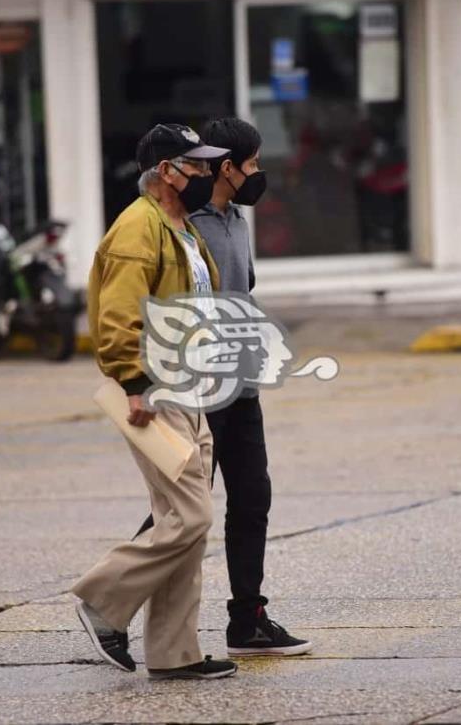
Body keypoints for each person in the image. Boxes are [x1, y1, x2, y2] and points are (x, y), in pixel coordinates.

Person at [136, 117, 313, 657]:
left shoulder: (237, 220)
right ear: (227, 167)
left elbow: (244, 291)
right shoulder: (181, 226)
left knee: (252, 496)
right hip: (193, 391)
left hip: (241, 386)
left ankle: (248, 619)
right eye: (252, 163)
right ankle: (113, 605)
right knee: (180, 508)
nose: (259, 173)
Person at [72, 124, 238, 681]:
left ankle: (175, 653)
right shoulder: (136, 229)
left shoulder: (182, 228)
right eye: (197, 166)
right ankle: (101, 598)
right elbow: (117, 315)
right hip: (155, 391)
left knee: (180, 521)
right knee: (193, 513)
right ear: (167, 171)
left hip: (191, 390)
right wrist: (133, 382)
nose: (208, 175)